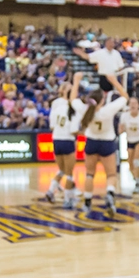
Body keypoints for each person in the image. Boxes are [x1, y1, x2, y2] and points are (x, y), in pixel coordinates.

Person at [79, 82, 129, 217]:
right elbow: (125, 96)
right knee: (111, 174)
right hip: (107, 142)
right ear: (103, 100)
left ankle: (87, 202)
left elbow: (72, 100)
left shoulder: (85, 110)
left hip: (91, 142)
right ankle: (110, 193)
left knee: (90, 174)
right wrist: (113, 81)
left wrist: (76, 81)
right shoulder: (108, 110)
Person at [44, 74, 85, 209]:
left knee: (62, 170)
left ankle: (50, 191)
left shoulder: (57, 107)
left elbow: (51, 125)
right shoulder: (74, 109)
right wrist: (84, 133)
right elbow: (74, 130)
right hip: (67, 140)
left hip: (56, 139)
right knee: (69, 173)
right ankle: (67, 199)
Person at [118, 97, 139, 196]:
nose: (133, 105)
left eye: (135, 103)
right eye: (131, 103)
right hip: (129, 140)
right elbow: (120, 130)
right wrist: (122, 129)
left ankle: (137, 182)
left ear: (138, 105)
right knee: (130, 164)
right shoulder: (124, 116)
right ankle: (136, 177)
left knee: (136, 160)